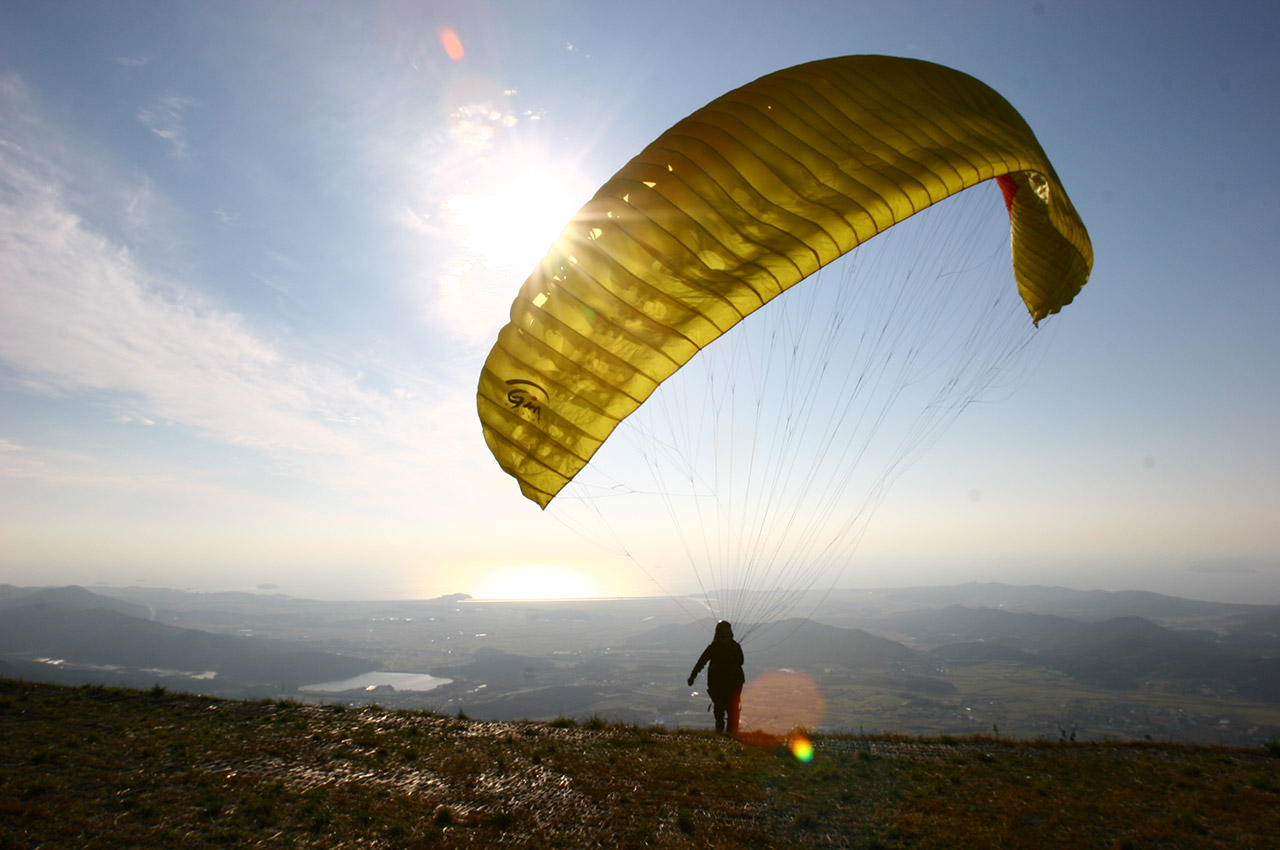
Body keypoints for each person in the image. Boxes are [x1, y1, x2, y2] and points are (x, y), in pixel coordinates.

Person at [687, 620, 745, 735]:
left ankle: (723, 732)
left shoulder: (715, 647)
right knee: (731, 708)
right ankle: (731, 733)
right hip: (731, 683)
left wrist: (693, 677)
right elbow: (741, 661)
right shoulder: (734, 647)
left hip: (721, 684)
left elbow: (701, 662)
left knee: (721, 708)